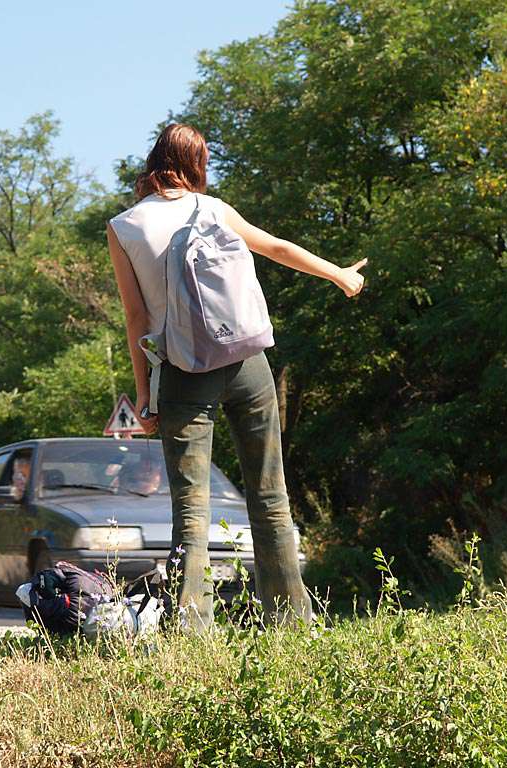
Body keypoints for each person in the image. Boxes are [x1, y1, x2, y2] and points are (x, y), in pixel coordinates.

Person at [106, 123, 365, 628]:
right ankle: (291, 623)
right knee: (270, 496)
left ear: (155, 162)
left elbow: (136, 317)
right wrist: (339, 274)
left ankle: (190, 630)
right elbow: (278, 248)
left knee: (191, 511)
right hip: (247, 361)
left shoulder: (124, 227)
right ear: (196, 164)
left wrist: (143, 394)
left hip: (183, 371)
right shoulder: (213, 209)